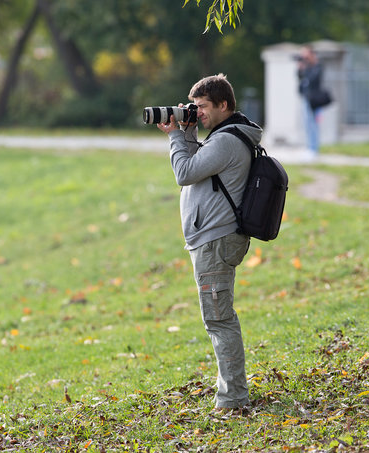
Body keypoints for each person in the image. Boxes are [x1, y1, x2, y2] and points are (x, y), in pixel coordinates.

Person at [156, 74, 261, 413]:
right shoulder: (225, 136)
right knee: (218, 317)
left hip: (216, 239)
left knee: (219, 319)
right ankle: (230, 391)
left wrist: (175, 136)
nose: (197, 112)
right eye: (195, 107)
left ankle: (233, 399)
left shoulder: (226, 141)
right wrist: (186, 131)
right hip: (213, 237)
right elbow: (198, 168)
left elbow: (184, 173)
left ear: (223, 105)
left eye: (202, 107)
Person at [297, 45, 325, 157]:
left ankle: (314, 149)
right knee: (307, 124)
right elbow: (299, 77)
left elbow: (313, 79)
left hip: (315, 100)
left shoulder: (317, 67)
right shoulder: (306, 67)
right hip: (306, 99)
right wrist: (300, 67)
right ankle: (309, 147)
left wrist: (307, 66)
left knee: (313, 124)